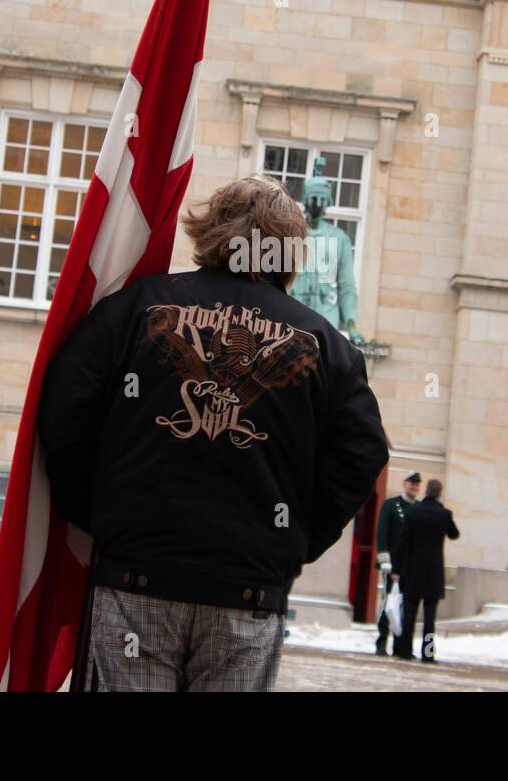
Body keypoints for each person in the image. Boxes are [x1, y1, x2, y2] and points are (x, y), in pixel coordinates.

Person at [37, 175, 388, 692]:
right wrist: (292, 540)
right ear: (290, 251)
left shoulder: (134, 311)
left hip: (137, 577)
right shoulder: (325, 345)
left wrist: (99, 513)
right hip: (247, 592)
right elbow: (363, 452)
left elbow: (64, 408)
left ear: (210, 232)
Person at [391, 478, 459, 662]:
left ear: (426, 491)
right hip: (434, 573)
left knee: (410, 614)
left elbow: (402, 541)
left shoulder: (413, 511)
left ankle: (405, 650)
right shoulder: (444, 514)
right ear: (439, 493)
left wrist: (396, 567)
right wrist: (445, 514)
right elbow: (454, 534)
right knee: (430, 618)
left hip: (412, 570)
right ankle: (427, 653)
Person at [373, 471, 420, 656]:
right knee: (388, 604)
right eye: (411, 483)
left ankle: (400, 645)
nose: (414, 487)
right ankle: (382, 641)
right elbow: (382, 533)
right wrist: (386, 562)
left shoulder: (418, 508)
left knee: (404, 608)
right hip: (392, 565)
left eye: (417, 484)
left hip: (410, 567)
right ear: (405, 484)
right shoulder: (391, 506)